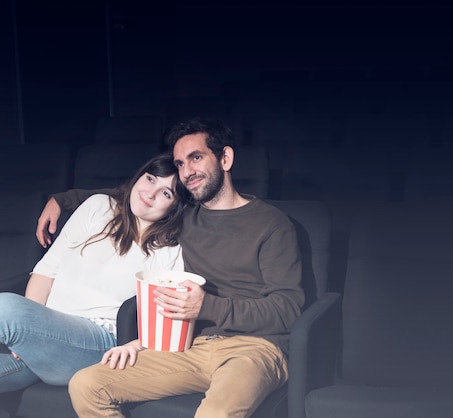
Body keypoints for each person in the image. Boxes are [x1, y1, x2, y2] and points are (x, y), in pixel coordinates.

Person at [35, 117, 304, 418]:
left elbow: (287, 309)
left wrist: (208, 307)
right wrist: (63, 200)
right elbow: (131, 196)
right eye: (179, 164)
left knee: (214, 414)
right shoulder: (184, 219)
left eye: (196, 158)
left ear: (225, 158)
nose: (187, 171)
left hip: (255, 348)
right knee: (87, 384)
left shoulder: (272, 223)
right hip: (189, 347)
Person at [0, 153, 187, 394]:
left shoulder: (169, 249)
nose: (150, 193)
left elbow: (168, 319)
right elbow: (47, 270)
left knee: (5, 308)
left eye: (166, 193)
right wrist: (30, 332)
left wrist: (137, 346)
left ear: (174, 207)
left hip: (96, 342)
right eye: (150, 179)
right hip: (46, 333)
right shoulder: (97, 206)